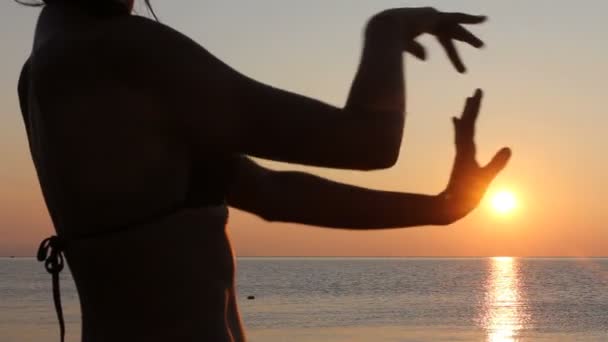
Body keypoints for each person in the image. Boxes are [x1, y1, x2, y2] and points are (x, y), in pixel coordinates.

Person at [16, 1, 511, 341]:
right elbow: (367, 141)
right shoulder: (124, 51)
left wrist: (442, 209)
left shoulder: (42, 70)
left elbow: (269, 192)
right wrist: (387, 28)